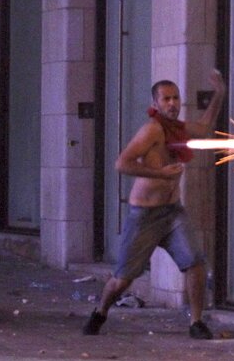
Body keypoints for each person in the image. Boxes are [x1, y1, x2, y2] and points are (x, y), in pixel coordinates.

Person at [83, 70, 226, 339]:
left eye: (175, 98)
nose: (172, 103)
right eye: (166, 99)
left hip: (172, 212)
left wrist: (219, 94)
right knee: (123, 279)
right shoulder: (151, 131)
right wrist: (160, 174)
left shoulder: (178, 129)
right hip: (145, 215)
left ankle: (196, 322)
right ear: (156, 104)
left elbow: (206, 128)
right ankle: (100, 312)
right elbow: (121, 164)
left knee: (195, 263)